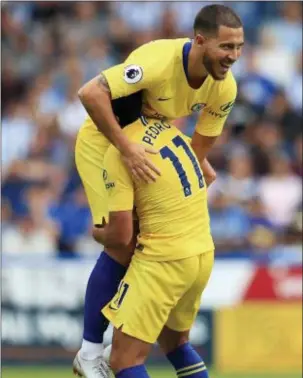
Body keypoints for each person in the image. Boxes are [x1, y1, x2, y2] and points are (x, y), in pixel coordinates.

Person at [73, 4, 244, 377]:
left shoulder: (225, 86)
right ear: (199, 41)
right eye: (226, 47)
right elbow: (90, 92)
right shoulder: (156, 61)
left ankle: (105, 343)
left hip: (148, 149)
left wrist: (184, 169)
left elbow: (198, 152)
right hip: (109, 143)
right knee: (123, 243)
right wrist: (125, 147)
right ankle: (89, 351)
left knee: (129, 243)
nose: (233, 57)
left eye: (238, 48)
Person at [100, 116, 215, 378]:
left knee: (124, 359)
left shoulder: (122, 148)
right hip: (201, 250)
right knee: (175, 343)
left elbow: (120, 236)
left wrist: (98, 233)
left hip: (163, 258)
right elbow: (209, 174)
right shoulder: (170, 131)